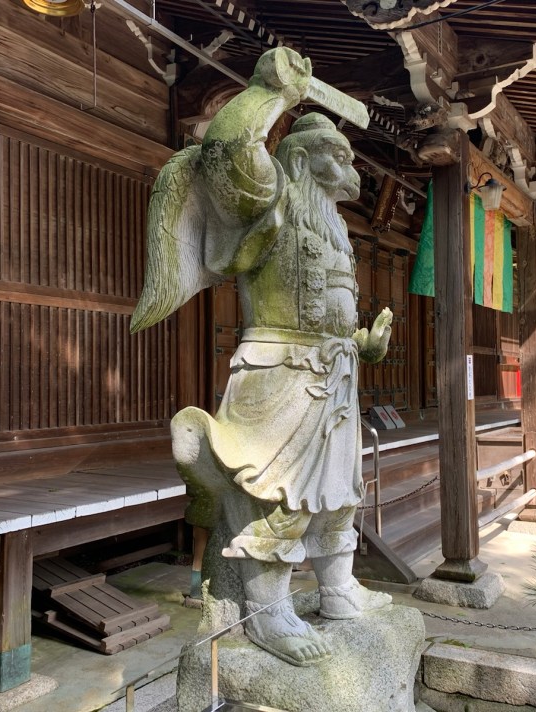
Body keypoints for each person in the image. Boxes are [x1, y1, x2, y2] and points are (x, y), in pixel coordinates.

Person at [132, 46, 392, 667]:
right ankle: (265, 611)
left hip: (335, 376)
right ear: (301, 157)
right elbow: (226, 150)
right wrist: (268, 92)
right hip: (281, 375)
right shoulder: (273, 196)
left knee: (340, 493)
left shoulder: (335, 224)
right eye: (339, 157)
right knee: (279, 496)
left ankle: (338, 589)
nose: (352, 171)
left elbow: (328, 306)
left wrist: (363, 345)